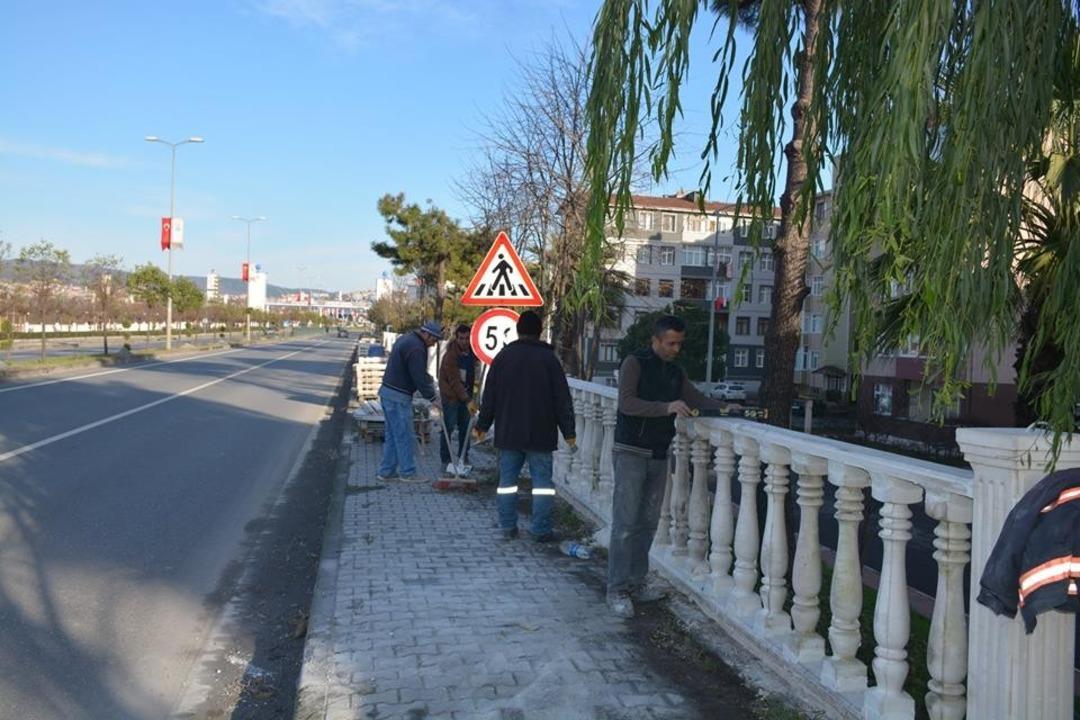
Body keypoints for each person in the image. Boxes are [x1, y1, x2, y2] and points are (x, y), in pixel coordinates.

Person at [607, 314, 724, 618]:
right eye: (671, 343)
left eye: (679, 344)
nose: (676, 349)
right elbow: (626, 403)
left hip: (659, 454)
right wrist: (666, 408)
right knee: (625, 524)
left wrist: (724, 407)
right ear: (655, 340)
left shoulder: (675, 372)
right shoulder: (635, 362)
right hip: (630, 451)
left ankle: (636, 582)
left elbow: (694, 397)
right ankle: (616, 589)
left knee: (648, 522)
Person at [474, 311, 575, 541]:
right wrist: (569, 432)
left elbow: (490, 396)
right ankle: (541, 530)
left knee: (507, 484)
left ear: (518, 331)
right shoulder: (550, 360)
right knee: (542, 486)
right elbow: (562, 400)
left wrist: (482, 425)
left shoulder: (503, 358)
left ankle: (508, 527)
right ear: (540, 332)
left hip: (509, 433)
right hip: (541, 434)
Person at [377, 321, 442, 482]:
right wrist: (433, 398)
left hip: (387, 392)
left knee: (393, 435)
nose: (433, 344)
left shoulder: (407, 339)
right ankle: (408, 473)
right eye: (433, 340)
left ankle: (386, 472)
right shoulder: (417, 348)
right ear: (426, 334)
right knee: (404, 435)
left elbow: (415, 371)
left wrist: (429, 380)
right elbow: (418, 376)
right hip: (398, 396)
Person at [438, 323, 477, 471]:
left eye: (467, 338)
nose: (464, 341)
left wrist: (472, 397)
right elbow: (454, 381)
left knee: (466, 427)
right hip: (451, 397)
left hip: (466, 396)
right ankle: (446, 460)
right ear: (456, 338)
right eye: (461, 338)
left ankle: (463, 457)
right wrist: (467, 400)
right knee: (448, 427)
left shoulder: (473, 353)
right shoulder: (450, 356)